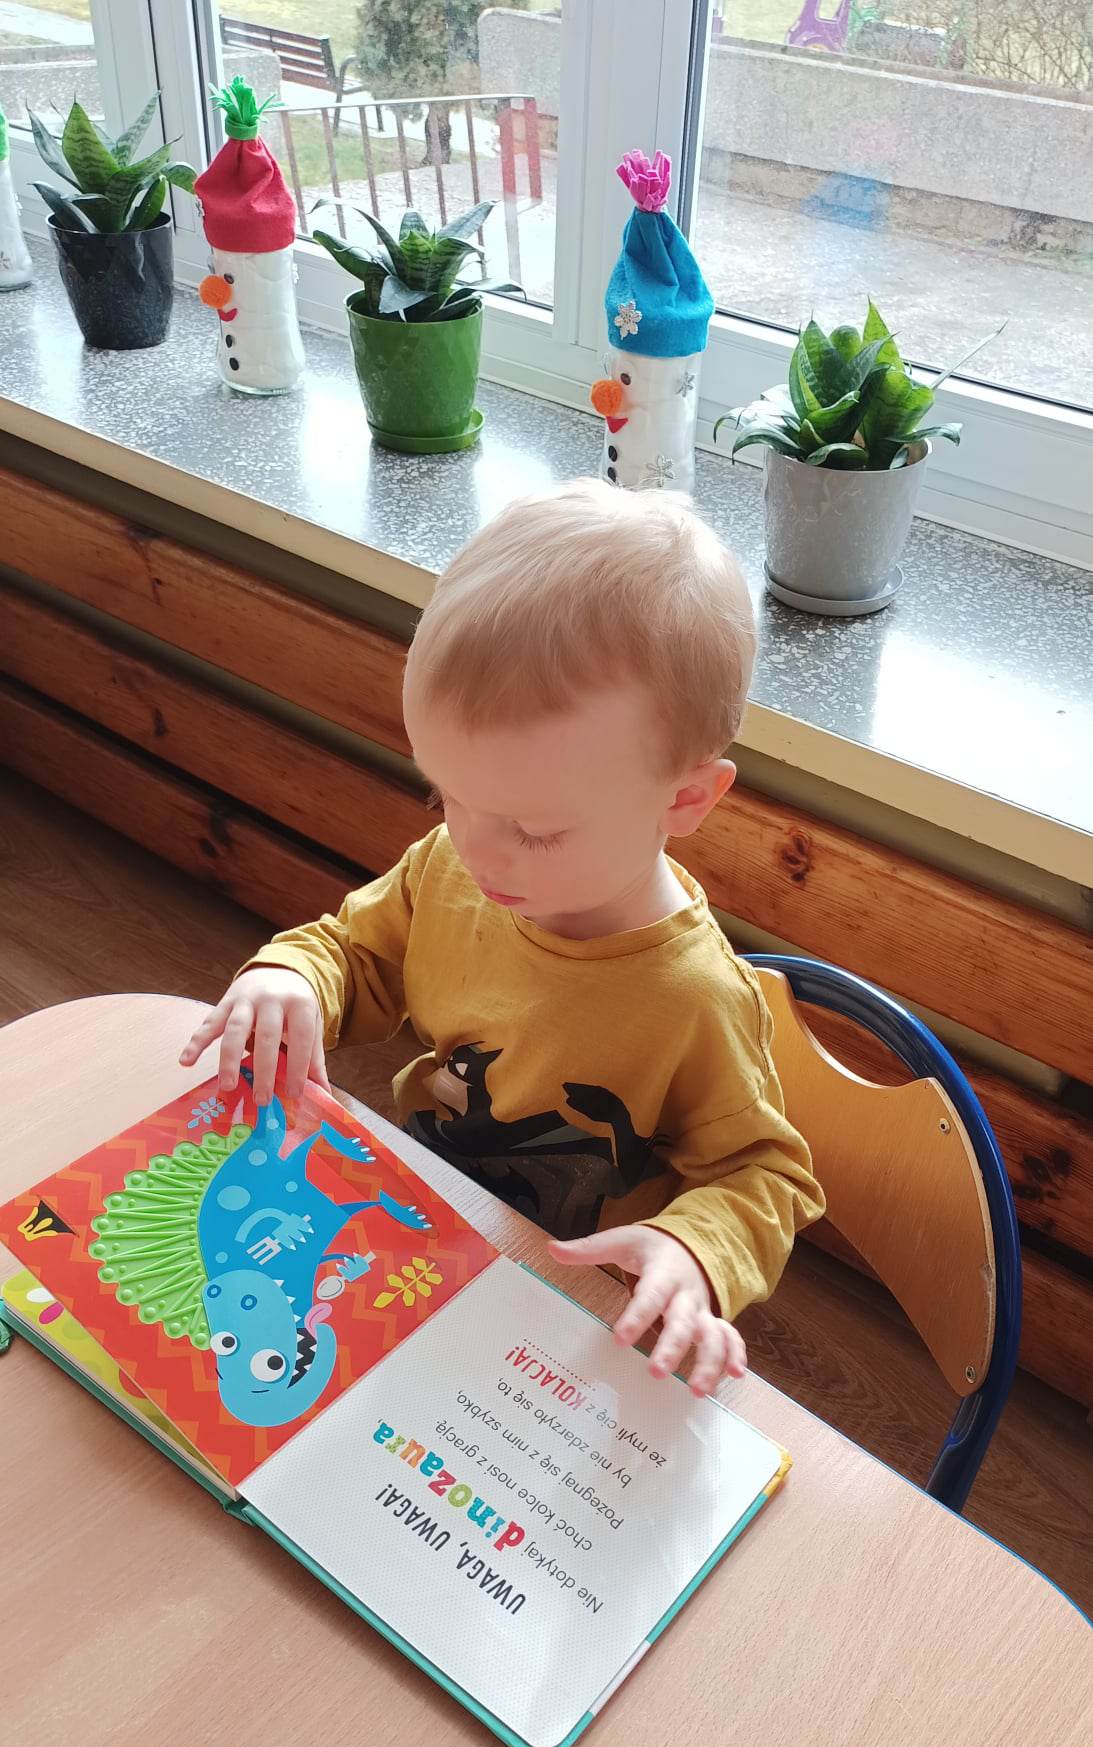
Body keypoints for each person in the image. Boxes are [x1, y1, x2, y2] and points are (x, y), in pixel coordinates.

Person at [181, 480, 824, 1395]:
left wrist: (692, 1248)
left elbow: (763, 1173)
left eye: (533, 829)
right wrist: (291, 974)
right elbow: (357, 954)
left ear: (685, 798)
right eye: (444, 793)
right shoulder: (452, 863)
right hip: (424, 1230)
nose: (474, 849)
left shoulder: (695, 999)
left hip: (571, 1320)